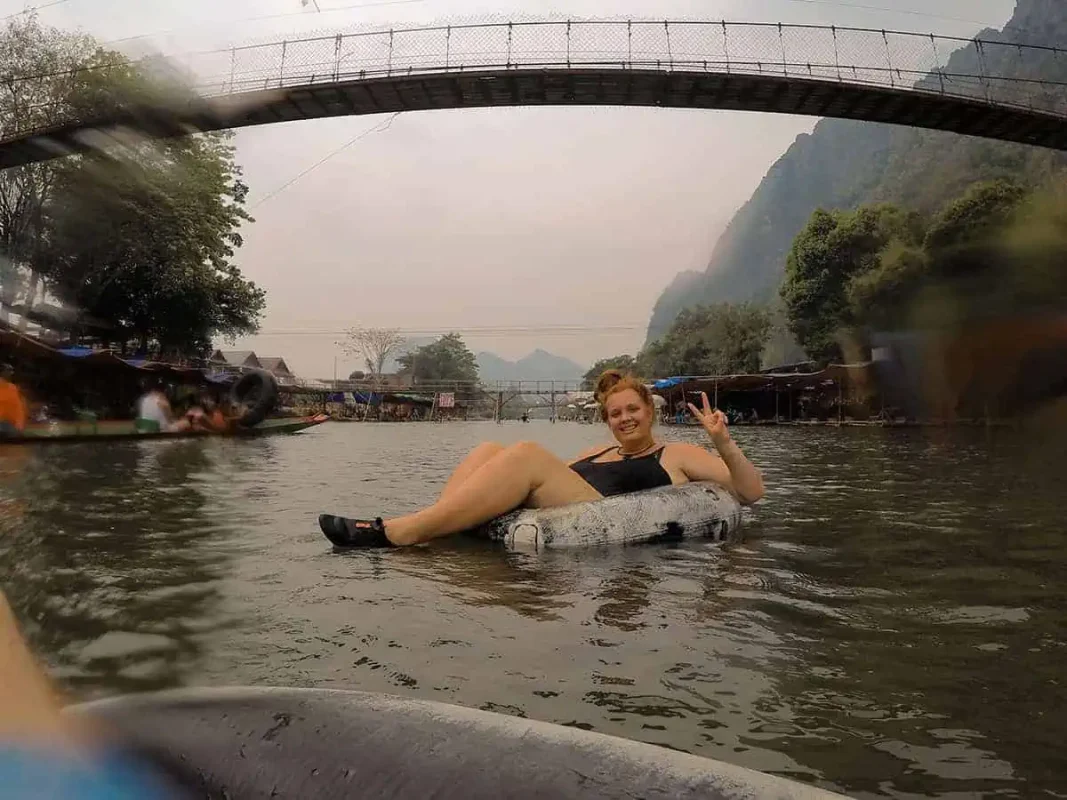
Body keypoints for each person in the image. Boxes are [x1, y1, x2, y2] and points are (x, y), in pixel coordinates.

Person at [320, 369, 764, 548]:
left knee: (527, 453)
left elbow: (750, 492)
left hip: (599, 512)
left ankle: (398, 533)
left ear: (649, 411)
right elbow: (548, 479)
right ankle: (436, 527)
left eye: (632, 410)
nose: (624, 418)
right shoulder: (597, 450)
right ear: (606, 420)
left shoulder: (677, 453)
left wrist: (723, 441)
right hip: (565, 503)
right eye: (615, 413)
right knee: (488, 449)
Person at [0, 362, 27, 439]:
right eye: (9, 370)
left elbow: (17, 407)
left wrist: (19, 424)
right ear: (2, 372)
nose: (12, 373)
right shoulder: (11, 388)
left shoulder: (12, 388)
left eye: (12, 371)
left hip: (9, 424)